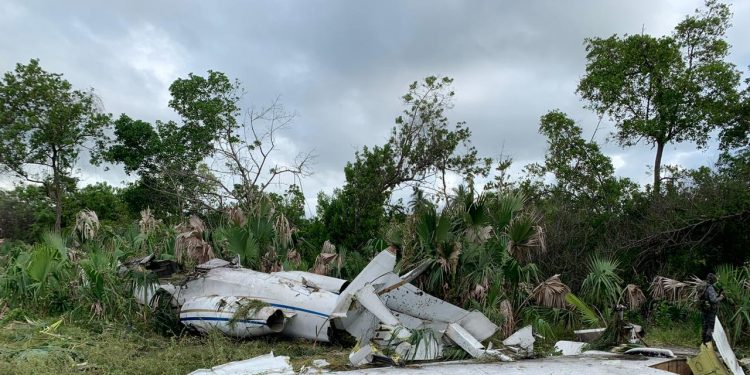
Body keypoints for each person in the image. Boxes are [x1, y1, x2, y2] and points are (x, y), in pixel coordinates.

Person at [701, 273, 724, 344]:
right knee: (710, 326)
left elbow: (709, 296)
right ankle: (708, 343)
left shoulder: (704, 285)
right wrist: (721, 297)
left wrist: (718, 294)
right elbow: (713, 300)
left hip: (705, 308)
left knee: (705, 326)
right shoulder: (710, 287)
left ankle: (703, 343)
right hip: (710, 310)